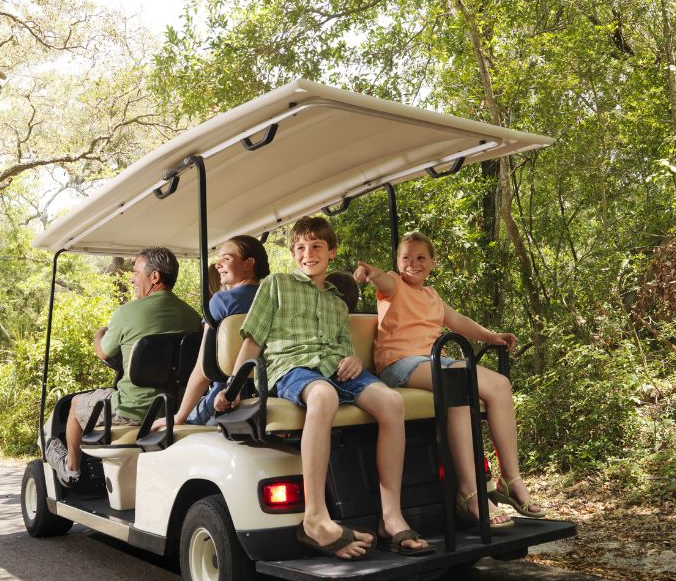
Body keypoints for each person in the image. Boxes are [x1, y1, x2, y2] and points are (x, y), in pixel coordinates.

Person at [216, 215, 433, 560]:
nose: (308, 253)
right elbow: (253, 341)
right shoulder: (276, 284)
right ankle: (315, 518)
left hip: (338, 369)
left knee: (391, 402)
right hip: (292, 367)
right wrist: (233, 388)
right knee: (323, 394)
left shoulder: (336, 301)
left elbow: (344, 349)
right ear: (292, 253)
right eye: (300, 247)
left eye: (316, 246)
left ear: (331, 252)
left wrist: (355, 361)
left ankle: (390, 516)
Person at [355, 231, 546, 527]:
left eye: (420, 258)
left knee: (500, 385)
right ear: (397, 262)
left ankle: (510, 479)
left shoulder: (432, 296)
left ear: (432, 263)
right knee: (458, 380)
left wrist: (491, 337)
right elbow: (382, 279)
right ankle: (470, 493)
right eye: (406, 258)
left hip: (435, 362)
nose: (413, 264)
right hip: (399, 364)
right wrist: (371, 273)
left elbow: (459, 322)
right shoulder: (393, 286)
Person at [45, 247, 201, 485]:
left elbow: (103, 351)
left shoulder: (126, 313)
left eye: (136, 272)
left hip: (131, 410)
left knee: (76, 404)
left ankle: (71, 470)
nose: (131, 278)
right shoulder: (192, 317)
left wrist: (99, 334)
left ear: (155, 277)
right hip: (173, 409)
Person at [163, 235, 270, 428]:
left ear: (249, 264)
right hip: (267, 391)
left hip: (225, 396)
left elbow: (203, 368)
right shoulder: (272, 297)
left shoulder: (222, 302)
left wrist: (179, 417)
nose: (218, 265)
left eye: (226, 259)